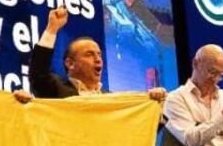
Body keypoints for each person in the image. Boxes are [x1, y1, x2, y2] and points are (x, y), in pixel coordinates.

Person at [29, 6, 166, 101]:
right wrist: (52, 29)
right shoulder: (57, 90)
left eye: (99, 55)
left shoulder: (112, 99)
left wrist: (154, 104)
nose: (98, 59)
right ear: (70, 64)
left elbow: (137, 132)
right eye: (89, 54)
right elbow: (38, 74)